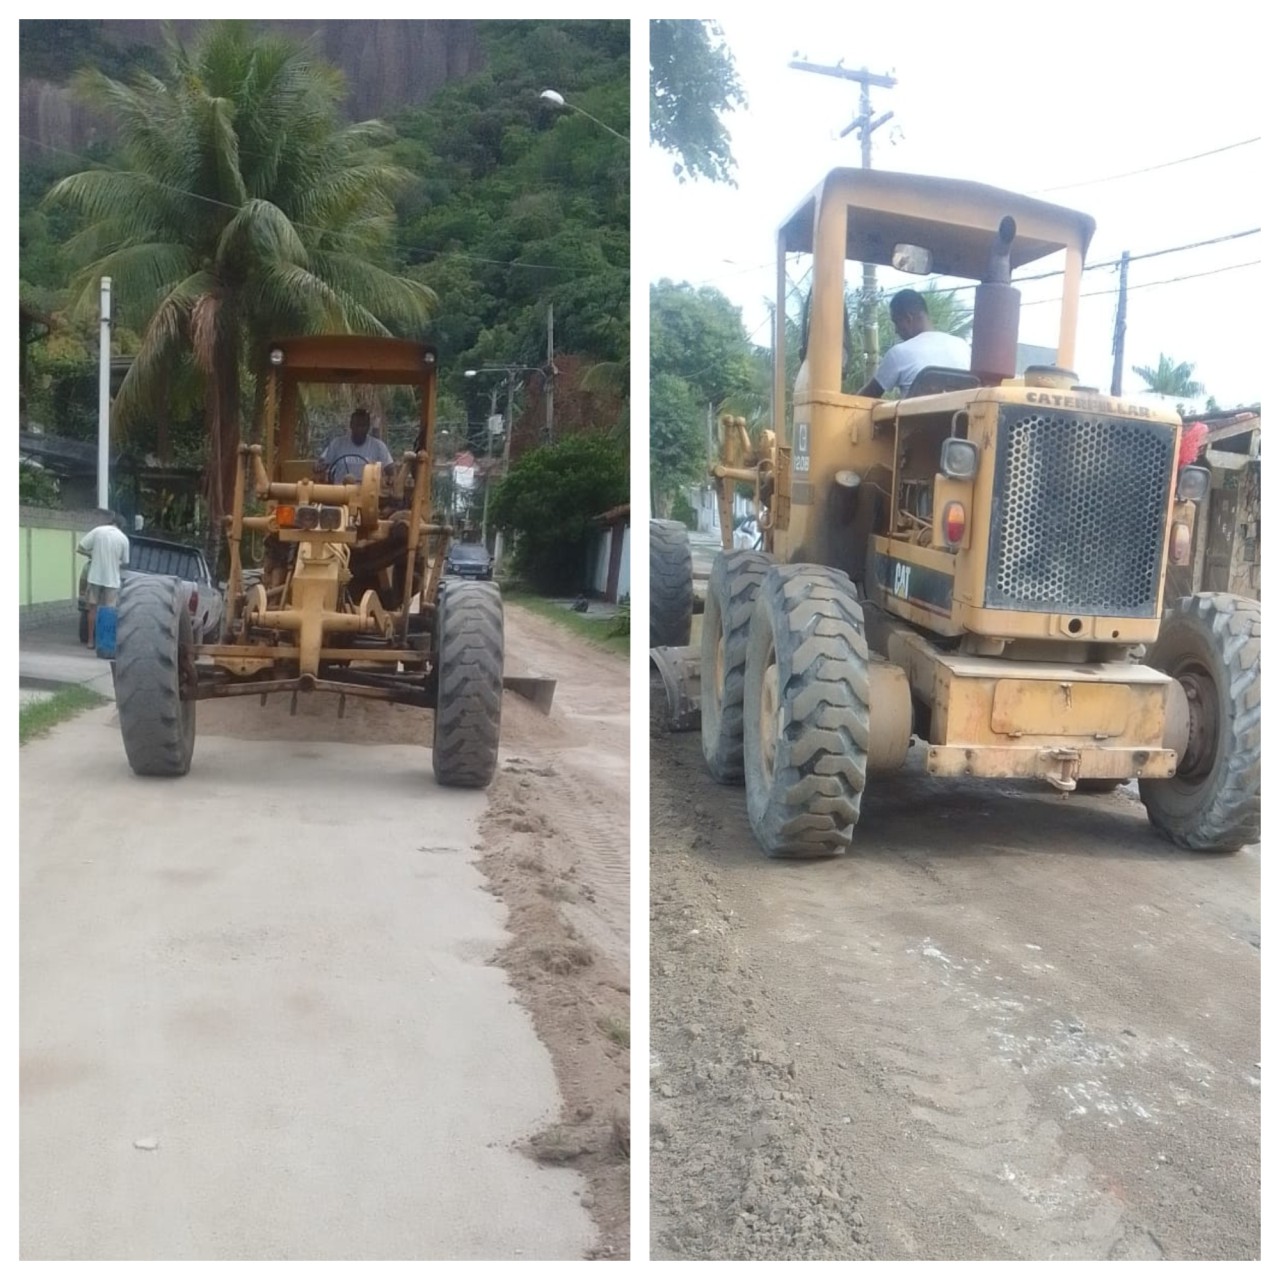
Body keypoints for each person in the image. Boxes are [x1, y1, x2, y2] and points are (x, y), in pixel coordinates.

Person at [857, 289, 971, 399]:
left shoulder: (899, 353)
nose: (896, 330)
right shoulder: (962, 346)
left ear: (908, 318)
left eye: (896, 322)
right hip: (961, 417)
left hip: (916, 419)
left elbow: (865, 398)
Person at [77, 511, 130, 649]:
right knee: (109, 611)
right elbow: (125, 562)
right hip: (112, 580)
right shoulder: (123, 538)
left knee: (92, 609)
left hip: (94, 577)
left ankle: (90, 641)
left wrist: (93, 555)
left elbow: (80, 548)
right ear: (121, 526)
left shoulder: (97, 531)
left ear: (111, 522)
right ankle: (105, 642)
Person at [314, 408, 395, 483]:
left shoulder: (378, 446)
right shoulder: (337, 444)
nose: (360, 429)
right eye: (357, 425)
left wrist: (389, 480)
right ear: (351, 425)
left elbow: (391, 470)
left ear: (368, 427)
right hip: (339, 493)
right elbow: (322, 464)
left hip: (367, 494)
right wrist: (319, 466)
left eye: (363, 425)